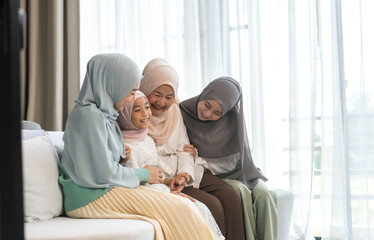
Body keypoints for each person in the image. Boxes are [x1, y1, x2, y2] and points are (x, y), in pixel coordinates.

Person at [58, 53, 219, 240]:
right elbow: (105, 173)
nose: (131, 98)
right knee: (182, 209)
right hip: (90, 197)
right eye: (130, 92)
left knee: (187, 204)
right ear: (112, 85)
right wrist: (145, 174)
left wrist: (120, 156)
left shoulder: (105, 115)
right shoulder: (89, 116)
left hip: (101, 189)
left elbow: (99, 163)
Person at [139, 58, 245, 240]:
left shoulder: (175, 111)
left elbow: (184, 149)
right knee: (213, 205)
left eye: (169, 97)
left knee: (230, 194)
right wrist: (173, 178)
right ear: (146, 86)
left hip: (185, 171)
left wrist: (185, 173)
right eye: (157, 94)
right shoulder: (137, 112)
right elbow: (145, 157)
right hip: (163, 178)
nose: (162, 102)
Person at [117, 90, 225, 240]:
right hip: (143, 194)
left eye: (147, 107)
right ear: (124, 114)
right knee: (189, 209)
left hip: (159, 189)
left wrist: (169, 182)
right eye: (137, 110)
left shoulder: (147, 140)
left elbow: (155, 174)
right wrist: (120, 158)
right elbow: (128, 179)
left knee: (201, 208)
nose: (145, 113)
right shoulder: (122, 145)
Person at [180, 76, 278, 240]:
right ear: (205, 93)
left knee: (265, 194)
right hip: (213, 175)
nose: (207, 113)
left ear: (226, 112)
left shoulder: (233, 119)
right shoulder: (183, 111)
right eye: (207, 105)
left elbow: (237, 157)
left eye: (217, 113)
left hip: (240, 170)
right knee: (241, 192)